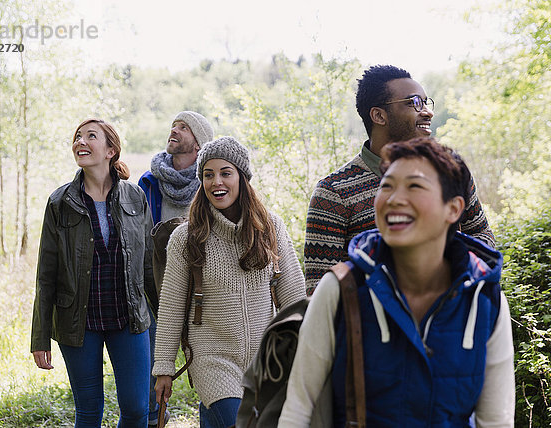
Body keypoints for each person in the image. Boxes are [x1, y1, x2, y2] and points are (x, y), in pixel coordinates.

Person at [279, 137, 515, 427]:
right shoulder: (342, 289)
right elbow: (299, 409)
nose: (394, 199)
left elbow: (496, 421)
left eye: (414, 186)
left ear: (453, 209)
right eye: (386, 186)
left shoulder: (484, 300)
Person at [153, 136, 306, 428]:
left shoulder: (271, 227)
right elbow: (171, 307)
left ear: (242, 177)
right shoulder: (186, 238)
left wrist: (307, 351)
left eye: (225, 173)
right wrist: (164, 368)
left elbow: (294, 297)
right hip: (212, 360)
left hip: (265, 361)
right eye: (208, 175)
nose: (216, 182)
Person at [304, 65, 495, 295]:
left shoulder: (451, 173)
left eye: (426, 102)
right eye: (414, 102)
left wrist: (439, 260)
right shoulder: (333, 192)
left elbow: (484, 239)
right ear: (379, 115)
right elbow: (318, 290)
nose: (427, 112)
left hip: (449, 319)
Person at [31, 119, 156, 428]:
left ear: (111, 150)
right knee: (88, 413)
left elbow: (150, 266)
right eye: (77, 137)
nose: (80, 142)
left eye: (90, 136)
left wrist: (168, 326)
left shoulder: (135, 197)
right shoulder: (60, 203)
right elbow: (46, 274)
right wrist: (40, 337)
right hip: (78, 323)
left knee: (138, 410)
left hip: (129, 319)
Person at [138, 110, 214, 427]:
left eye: (183, 128)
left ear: (198, 143)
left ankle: (214, 414)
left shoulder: (212, 181)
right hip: (155, 284)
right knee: (151, 360)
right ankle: (153, 416)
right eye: (173, 125)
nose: (175, 130)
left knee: (208, 361)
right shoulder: (149, 183)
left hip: (202, 286)